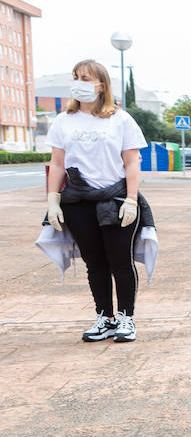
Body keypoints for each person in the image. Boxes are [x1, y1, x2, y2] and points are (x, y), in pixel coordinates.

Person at [44, 60, 149, 343]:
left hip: (114, 200)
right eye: (76, 76)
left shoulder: (120, 119)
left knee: (120, 261)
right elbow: (57, 163)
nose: (79, 82)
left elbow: (132, 162)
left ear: (101, 85)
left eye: (86, 78)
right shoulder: (64, 120)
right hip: (78, 202)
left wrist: (130, 199)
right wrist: (53, 199)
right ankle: (105, 317)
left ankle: (126, 318)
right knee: (95, 263)